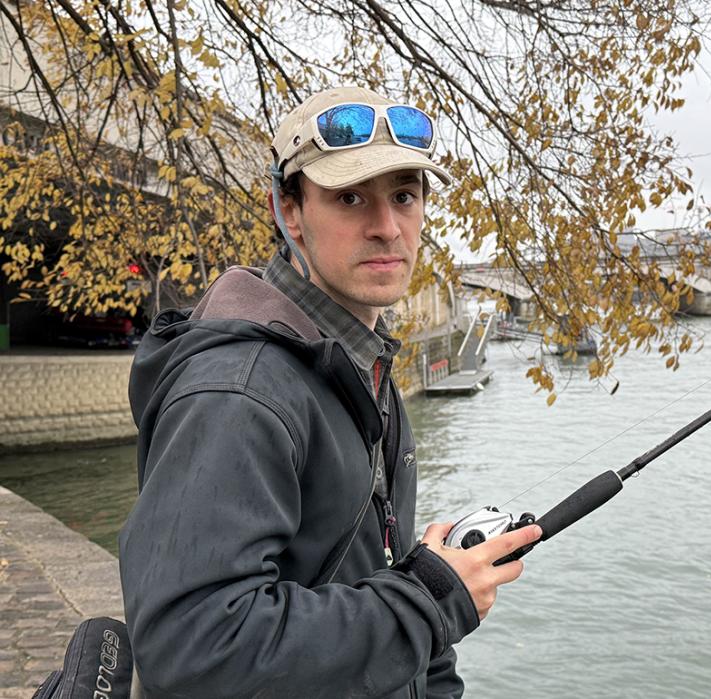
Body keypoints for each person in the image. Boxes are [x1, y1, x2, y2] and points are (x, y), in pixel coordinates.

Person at [119, 86, 541, 698]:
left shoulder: (360, 363)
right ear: (289, 211)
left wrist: (430, 605)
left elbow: (379, 573)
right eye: (349, 198)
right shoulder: (241, 393)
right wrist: (430, 599)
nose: (387, 227)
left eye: (404, 195)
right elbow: (190, 648)